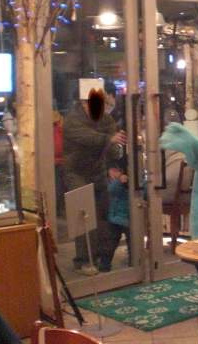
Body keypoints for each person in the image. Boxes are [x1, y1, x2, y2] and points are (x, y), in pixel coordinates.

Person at [63, 83, 126, 275]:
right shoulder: (72, 119)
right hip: (75, 171)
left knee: (103, 214)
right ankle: (83, 261)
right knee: (83, 214)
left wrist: (118, 150)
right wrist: (109, 140)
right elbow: (87, 137)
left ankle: (100, 257)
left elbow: (114, 144)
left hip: (98, 171)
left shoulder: (105, 118)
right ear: (83, 102)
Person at [99, 167, 131, 272]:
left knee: (133, 243)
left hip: (130, 218)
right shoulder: (115, 184)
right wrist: (119, 181)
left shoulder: (137, 179)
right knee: (110, 243)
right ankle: (105, 265)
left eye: (117, 170)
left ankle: (134, 263)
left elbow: (144, 190)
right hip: (116, 218)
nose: (114, 173)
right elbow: (112, 190)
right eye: (113, 170)